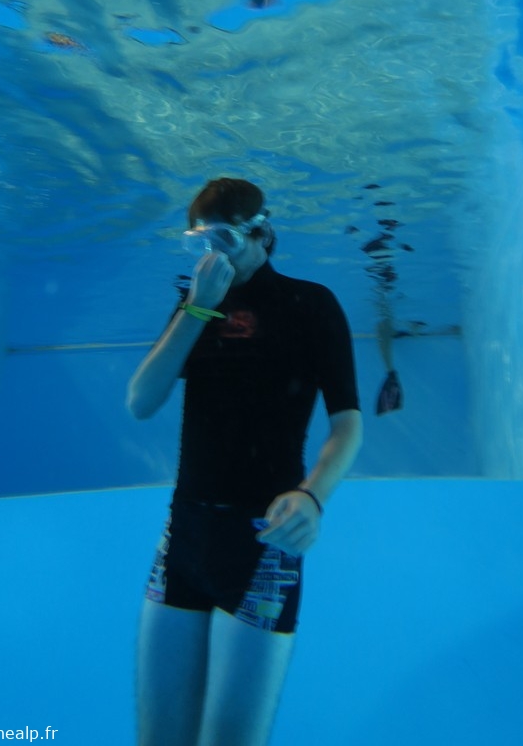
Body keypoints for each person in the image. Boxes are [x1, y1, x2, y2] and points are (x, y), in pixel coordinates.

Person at [127, 177, 362, 746]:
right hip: (184, 535)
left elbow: (348, 424)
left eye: (225, 239)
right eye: (200, 241)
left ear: (263, 233)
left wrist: (312, 495)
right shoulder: (195, 303)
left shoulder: (311, 304)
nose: (214, 254)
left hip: (264, 541)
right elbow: (141, 401)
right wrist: (198, 308)